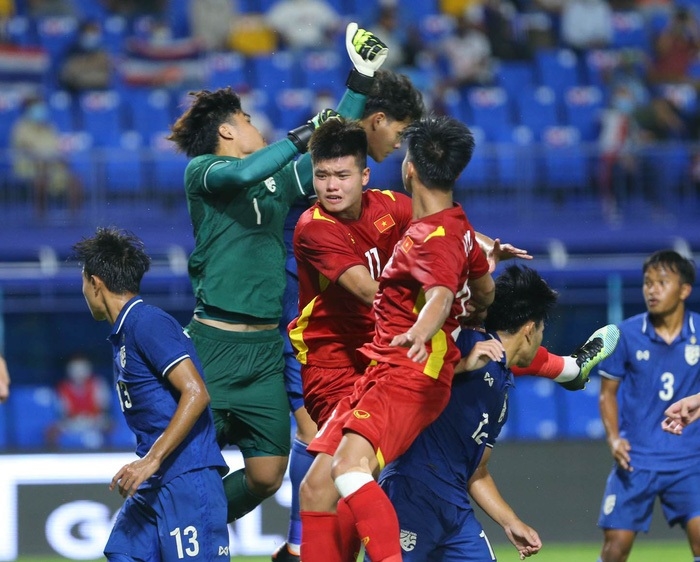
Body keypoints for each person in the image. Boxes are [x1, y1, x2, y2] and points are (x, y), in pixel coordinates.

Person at [166, 23, 389, 525]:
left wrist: (360, 81)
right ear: (227, 131)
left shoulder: (276, 183)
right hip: (215, 344)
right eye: (246, 119)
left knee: (267, 476)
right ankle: (175, 536)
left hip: (267, 348)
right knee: (183, 466)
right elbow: (246, 171)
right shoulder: (203, 171)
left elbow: (323, 152)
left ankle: (192, 526)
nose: (254, 125)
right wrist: (301, 133)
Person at [299, 115, 496, 562]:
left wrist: (422, 329)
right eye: (323, 175)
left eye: (342, 175)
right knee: (317, 487)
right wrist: (482, 258)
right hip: (358, 365)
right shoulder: (452, 228)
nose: (331, 186)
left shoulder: (419, 228)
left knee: (348, 472)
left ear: (403, 170)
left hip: (400, 366)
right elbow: (481, 288)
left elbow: (440, 291)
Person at [72, 227, 230, 561]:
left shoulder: (147, 322)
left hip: (186, 478)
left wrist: (151, 459)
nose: (83, 290)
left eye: (83, 281)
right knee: (122, 553)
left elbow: (196, 392)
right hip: (154, 483)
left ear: (95, 282)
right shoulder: (125, 331)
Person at [381, 264, 555, 560]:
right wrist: (460, 364)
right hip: (412, 490)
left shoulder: (502, 388)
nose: (541, 339)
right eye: (542, 329)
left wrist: (510, 521)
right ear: (529, 330)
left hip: (454, 505)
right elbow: (404, 367)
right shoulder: (467, 343)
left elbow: (478, 471)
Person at [596, 249, 700, 562]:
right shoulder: (625, 334)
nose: (652, 290)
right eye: (647, 283)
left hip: (690, 460)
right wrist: (614, 438)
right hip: (637, 459)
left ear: (684, 290)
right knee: (615, 548)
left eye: (662, 282)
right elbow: (606, 394)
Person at [10, 94, 83, 219]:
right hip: (30, 168)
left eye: (42, 107)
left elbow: (57, 147)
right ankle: (41, 218)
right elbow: (25, 150)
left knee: (75, 180)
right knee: (41, 180)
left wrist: (62, 157)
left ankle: (73, 218)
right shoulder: (21, 127)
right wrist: (41, 158)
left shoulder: (50, 127)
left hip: (52, 167)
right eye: (37, 108)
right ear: (28, 110)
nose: (41, 110)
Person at [46, 352, 111, 449]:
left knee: (110, 426)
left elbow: (103, 407)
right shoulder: (62, 388)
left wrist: (92, 418)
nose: (79, 372)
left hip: (95, 420)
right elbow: (63, 412)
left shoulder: (98, 384)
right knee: (51, 431)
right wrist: (77, 419)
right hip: (72, 422)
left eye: (82, 368)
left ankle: (107, 451)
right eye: (75, 368)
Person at [58, 19, 113, 93]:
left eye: (93, 32)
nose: (90, 36)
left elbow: (106, 78)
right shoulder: (71, 54)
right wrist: (91, 76)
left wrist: (81, 78)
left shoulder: (104, 55)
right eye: (88, 32)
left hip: (100, 94)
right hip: (76, 94)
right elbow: (66, 77)